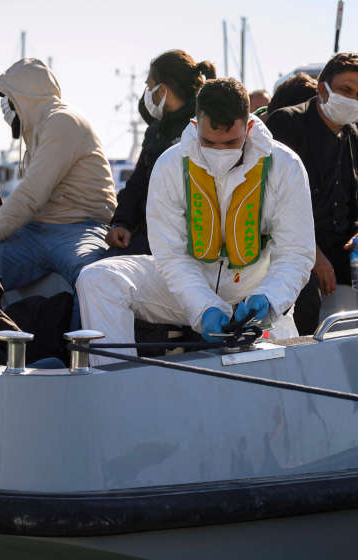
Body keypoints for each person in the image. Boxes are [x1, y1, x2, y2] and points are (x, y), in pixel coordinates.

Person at [76, 78, 315, 364]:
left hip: (254, 298)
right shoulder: (170, 165)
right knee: (98, 278)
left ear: (249, 127)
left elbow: (295, 254)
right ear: (195, 124)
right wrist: (203, 307)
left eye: (231, 142)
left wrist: (269, 299)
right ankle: (115, 381)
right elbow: (171, 256)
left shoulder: (286, 166)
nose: (220, 151)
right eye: (208, 142)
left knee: (277, 373)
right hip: (189, 288)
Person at [0, 58, 117, 330]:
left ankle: (82, 352)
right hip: (35, 232)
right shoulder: (38, 129)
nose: (4, 105)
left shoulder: (62, 121)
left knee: (93, 279)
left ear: (22, 98)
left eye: (7, 98)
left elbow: (31, 193)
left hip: (78, 229)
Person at [265, 53, 358, 334]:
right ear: (322, 89)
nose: (353, 99)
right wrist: (314, 257)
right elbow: (272, 206)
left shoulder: (353, 135)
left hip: (342, 256)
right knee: (305, 305)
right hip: (292, 252)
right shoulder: (287, 123)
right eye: (346, 90)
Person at [108, 50, 216, 256]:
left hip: (182, 244)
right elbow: (137, 184)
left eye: (149, 86)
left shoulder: (201, 131)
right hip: (147, 235)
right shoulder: (157, 131)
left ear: (163, 89)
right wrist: (121, 224)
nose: (147, 93)